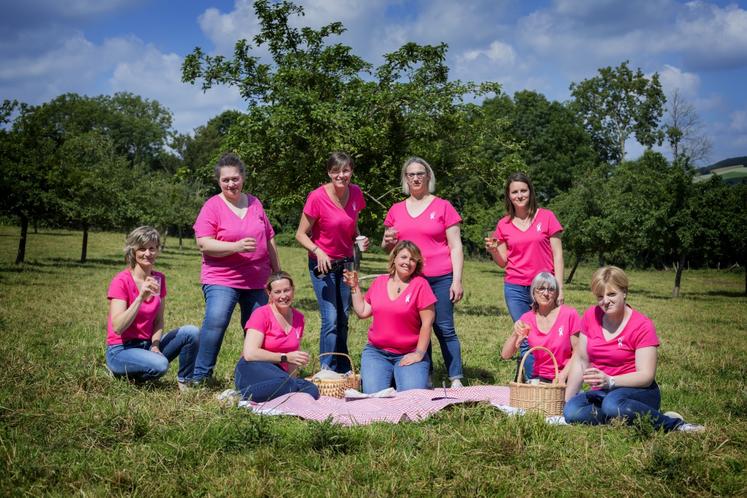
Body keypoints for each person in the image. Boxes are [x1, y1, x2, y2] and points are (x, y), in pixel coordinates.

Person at [563, 266, 703, 432]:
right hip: (603, 393)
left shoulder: (642, 325)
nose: (605, 301)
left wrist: (610, 381)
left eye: (611, 294)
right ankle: (626, 418)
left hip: (638, 391)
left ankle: (674, 424)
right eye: (600, 296)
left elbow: (646, 376)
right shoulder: (590, 316)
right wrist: (568, 400)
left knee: (612, 404)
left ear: (624, 292)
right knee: (571, 412)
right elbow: (581, 361)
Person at [192, 152, 280, 385]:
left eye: (235, 178)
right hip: (222, 278)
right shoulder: (212, 206)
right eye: (225, 180)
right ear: (218, 182)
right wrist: (236, 246)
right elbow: (203, 243)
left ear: (243, 178)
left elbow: (269, 238)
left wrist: (277, 273)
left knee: (258, 328)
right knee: (216, 321)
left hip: (257, 278)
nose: (231, 183)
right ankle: (201, 376)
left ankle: (256, 377)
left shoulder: (255, 203)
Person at [382, 157, 465, 387]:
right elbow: (389, 246)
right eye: (411, 174)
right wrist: (387, 241)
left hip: (440, 277)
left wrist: (456, 280)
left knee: (443, 326)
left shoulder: (443, 206)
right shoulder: (396, 209)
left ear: (428, 176)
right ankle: (424, 375)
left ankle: (455, 376)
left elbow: (456, 246)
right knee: (417, 327)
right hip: (411, 278)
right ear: (405, 179)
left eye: (420, 173)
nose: (416, 178)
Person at [486, 172, 564, 379]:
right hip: (515, 287)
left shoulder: (547, 217)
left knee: (547, 334)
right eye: (514, 192)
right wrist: (493, 250)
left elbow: (558, 255)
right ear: (508, 196)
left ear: (530, 191)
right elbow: (503, 262)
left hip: (545, 287)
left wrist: (560, 288)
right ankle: (532, 382)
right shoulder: (504, 224)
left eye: (523, 190)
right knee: (525, 334)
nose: (519, 195)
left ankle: (551, 378)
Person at [295, 152, 368, 373]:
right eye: (336, 171)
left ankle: (343, 365)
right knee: (331, 318)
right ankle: (326, 368)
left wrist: (359, 240)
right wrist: (318, 251)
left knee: (344, 316)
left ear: (351, 172)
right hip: (324, 266)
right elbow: (300, 234)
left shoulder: (355, 193)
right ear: (329, 172)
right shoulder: (317, 197)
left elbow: (352, 226)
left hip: (347, 264)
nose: (341, 175)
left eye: (346, 170)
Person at [105, 226, 199, 389]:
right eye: (142, 248)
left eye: (152, 248)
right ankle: (122, 374)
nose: (147, 253)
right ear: (133, 251)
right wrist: (140, 297)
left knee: (192, 332)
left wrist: (155, 345)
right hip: (121, 349)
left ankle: (185, 382)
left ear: (157, 250)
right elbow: (118, 327)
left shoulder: (158, 279)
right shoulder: (121, 281)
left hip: (147, 345)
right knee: (161, 365)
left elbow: (158, 320)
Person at [345, 240, 436, 393]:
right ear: (394, 258)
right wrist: (354, 287)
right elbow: (362, 312)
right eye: (404, 257)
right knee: (373, 397)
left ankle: (410, 376)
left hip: (409, 352)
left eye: (413, 259)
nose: (408, 262)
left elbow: (427, 324)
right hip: (377, 352)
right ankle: (392, 377)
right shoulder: (379, 282)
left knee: (412, 397)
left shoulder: (421, 285)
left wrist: (419, 354)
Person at [234, 272, 320, 402]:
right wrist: (285, 357)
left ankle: (285, 392)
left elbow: (293, 361)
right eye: (277, 292)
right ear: (269, 294)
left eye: (287, 290)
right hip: (252, 367)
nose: (283, 296)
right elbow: (249, 353)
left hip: (278, 373)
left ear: (293, 290)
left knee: (311, 389)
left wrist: (293, 374)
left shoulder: (299, 318)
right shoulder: (261, 314)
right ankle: (239, 395)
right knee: (289, 384)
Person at [500, 272, 580, 383]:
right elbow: (505, 355)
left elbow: (579, 351)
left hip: (566, 377)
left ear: (556, 293)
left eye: (551, 289)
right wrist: (515, 333)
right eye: (541, 289)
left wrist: (562, 376)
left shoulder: (569, 314)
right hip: (539, 379)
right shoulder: (527, 318)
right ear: (533, 292)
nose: (546, 293)